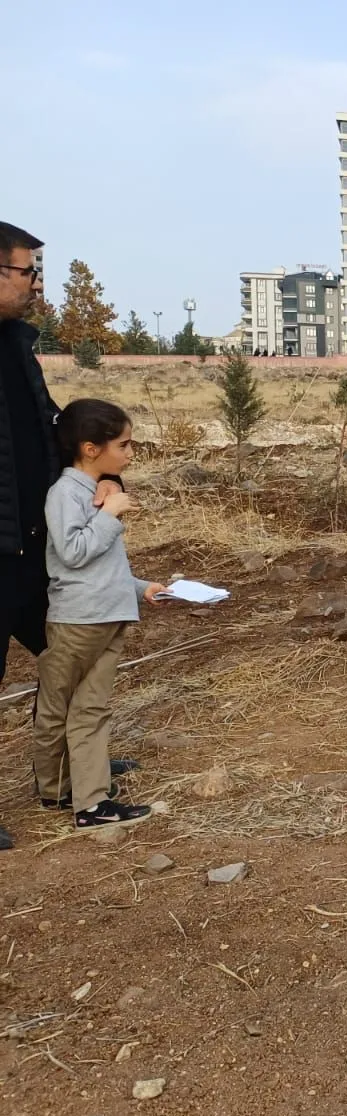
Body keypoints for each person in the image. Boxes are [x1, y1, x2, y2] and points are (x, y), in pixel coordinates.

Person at [0, 222, 136, 852]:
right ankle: (73, 785)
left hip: (34, 545)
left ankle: (74, 777)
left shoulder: (15, 346)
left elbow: (45, 426)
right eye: (28, 271)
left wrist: (91, 484)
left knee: (64, 669)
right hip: (10, 547)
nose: (35, 284)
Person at [34, 400, 162, 828]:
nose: (129, 453)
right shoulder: (64, 493)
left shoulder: (94, 491)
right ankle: (72, 798)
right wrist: (108, 515)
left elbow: (104, 567)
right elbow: (73, 553)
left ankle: (75, 794)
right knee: (67, 707)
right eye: (123, 445)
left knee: (86, 707)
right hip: (78, 620)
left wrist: (143, 588)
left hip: (107, 615)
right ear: (90, 448)